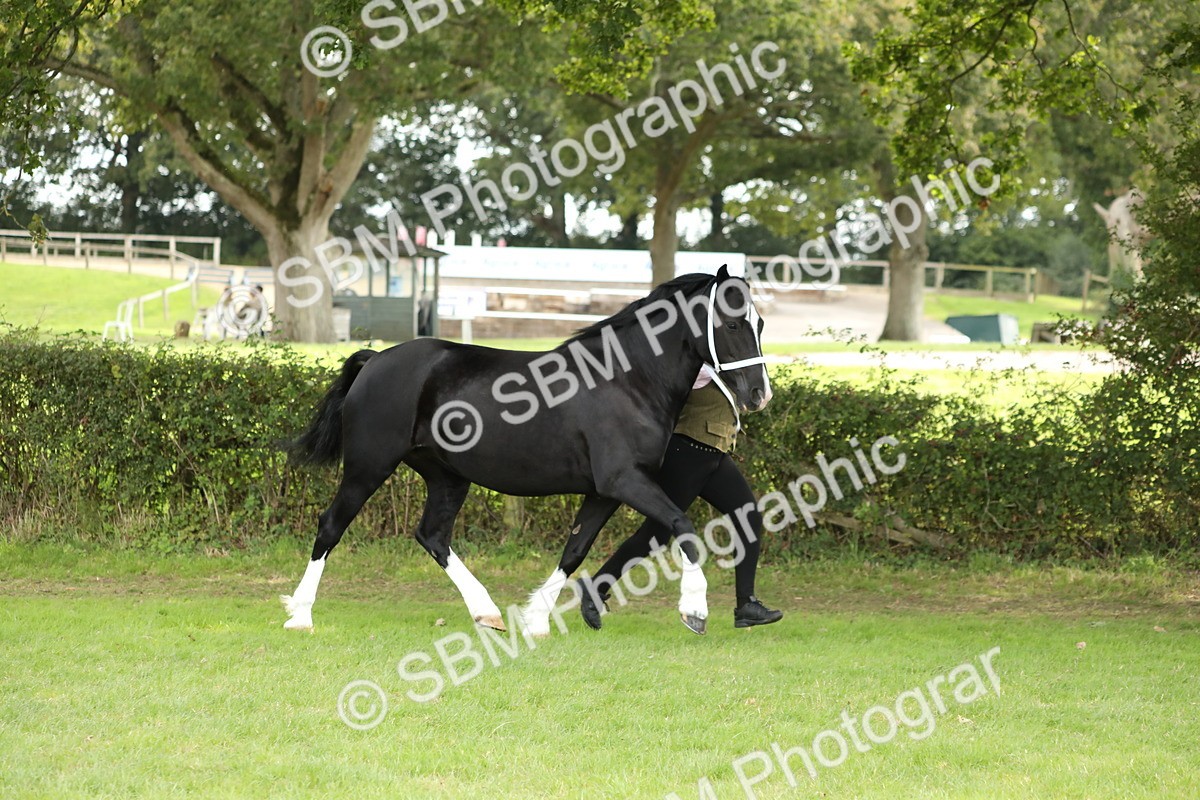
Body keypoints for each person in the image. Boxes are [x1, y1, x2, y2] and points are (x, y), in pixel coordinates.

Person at [579, 364, 782, 631]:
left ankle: (747, 605)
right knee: (656, 535)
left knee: (749, 517)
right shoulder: (695, 365)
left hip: (715, 454)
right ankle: (596, 588)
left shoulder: (720, 364)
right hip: (687, 453)